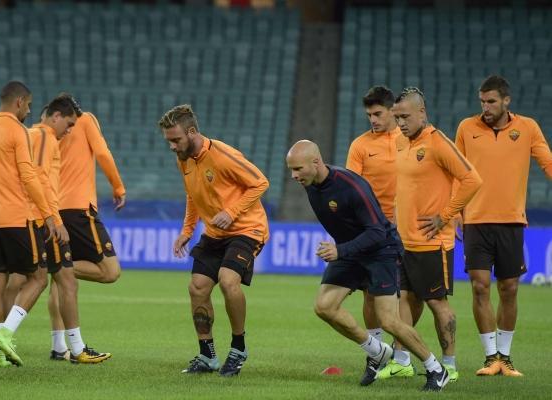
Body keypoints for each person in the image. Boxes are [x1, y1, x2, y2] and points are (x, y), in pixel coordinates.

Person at [286, 140, 450, 392]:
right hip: (351, 251)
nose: (294, 176)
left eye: (298, 169)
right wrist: (343, 250)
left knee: (389, 320)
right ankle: (377, 351)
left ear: (316, 162)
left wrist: (340, 250)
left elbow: (377, 232)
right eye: (291, 170)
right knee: (324, 306)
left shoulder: (351, 185)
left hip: (380, 251)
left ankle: (436, 369)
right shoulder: (311, 185)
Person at [159, 104, 269, 377]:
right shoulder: (184, 158)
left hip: (246, 229)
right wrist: (187, 230)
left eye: (176, 139)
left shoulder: (223, 155)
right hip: (215, 233)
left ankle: (238, 348)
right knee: (197, 287)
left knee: (228, 280)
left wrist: (231, 212)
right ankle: (207, 355)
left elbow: (260, 182)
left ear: (191, 132)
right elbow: (192, 194)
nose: (172, 146)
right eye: (169, 141)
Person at [455, 75, 552, 377]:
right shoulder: (466, 128)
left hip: (511, 221)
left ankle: (505, 358)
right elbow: (456, 172)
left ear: (506, 101)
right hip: (476, 221)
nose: (485, 107)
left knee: (509, 289)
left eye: (491, 101)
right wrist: (455, 211)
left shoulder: (528, 127)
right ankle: (490, 358)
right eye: (482, 101)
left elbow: (548, 163)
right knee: (479, 286)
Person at [3, 97, 112, 364]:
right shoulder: (44, 137)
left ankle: (8, 335)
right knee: (62, 280)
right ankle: (75, 349)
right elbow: (39, 178)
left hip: (25, 216)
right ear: (55, 117)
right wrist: (54, 219)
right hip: (46, 220)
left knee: (37, 279)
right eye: (69, 124)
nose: (70, 130)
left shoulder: (28, 135)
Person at [0, 81, 60, 367]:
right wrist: (49, 215)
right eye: (28, 105)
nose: (28, 111)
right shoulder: (17, 131)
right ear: (19, 102)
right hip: (16, 218)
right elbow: (29, 176)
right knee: (38, 278)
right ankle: (5, 334)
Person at [392, 87, 483, 383]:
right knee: (404, 299)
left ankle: (450, 365)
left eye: (405, 117)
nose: (400, 123)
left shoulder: (438, 142)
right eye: (397, 117)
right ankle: (402, 361)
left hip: (432, 242)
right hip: (405, 241)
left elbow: (472, 179)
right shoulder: (401, 142)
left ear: (422, 112)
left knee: (436, 303)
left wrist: (446, 216)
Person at [345, 86, 418, 378]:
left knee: (407, 295)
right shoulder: (360, 146)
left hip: (407, 228)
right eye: (369, 115)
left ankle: (402, 357)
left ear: (392, 112)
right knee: (370, 294)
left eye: (378, 114)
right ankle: (376, 353)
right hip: (373, 230)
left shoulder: (409, 140)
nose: (373, 120)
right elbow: (351, 189)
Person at [57, 93, 125, 284]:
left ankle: (55, 267)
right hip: (79, 208)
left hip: (55, 210)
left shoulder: (49, 132)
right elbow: (102, 153)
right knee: (110, 271)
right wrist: (118, 187)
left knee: (64, 282)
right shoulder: (86, 119)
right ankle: (51, 265)